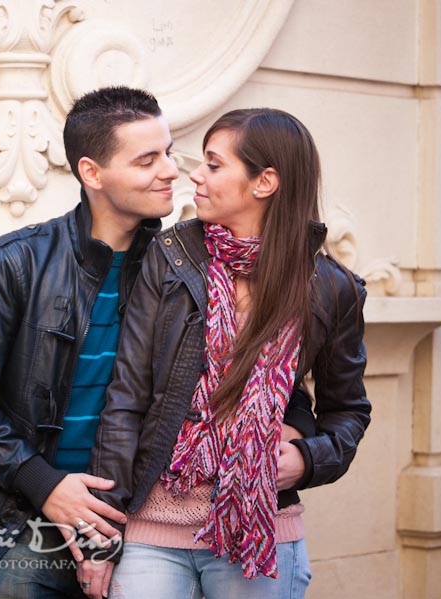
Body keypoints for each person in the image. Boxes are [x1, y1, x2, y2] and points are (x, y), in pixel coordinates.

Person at [0, 88, 316, 599]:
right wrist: (43, 484)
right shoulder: (17, 262)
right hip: (25, 513)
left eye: (167, 151)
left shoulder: (186, 268)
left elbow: (265, 377)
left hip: (139, 518)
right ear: (93, 174)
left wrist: (302, 445)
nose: (172, 171)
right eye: (146, 159)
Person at [87, 107, 372, 599]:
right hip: (152, 533)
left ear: (264, 182)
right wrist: (103, 538)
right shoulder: (171, 258)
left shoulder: (329, 288)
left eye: (214, 165)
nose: (194, 174)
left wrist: (306, 459)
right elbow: (126, 399)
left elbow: (347, 411)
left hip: (257, 535)